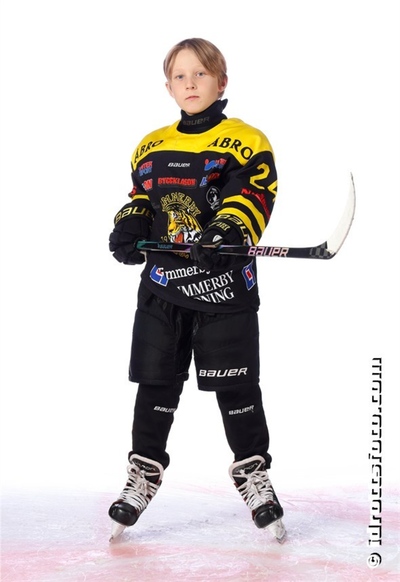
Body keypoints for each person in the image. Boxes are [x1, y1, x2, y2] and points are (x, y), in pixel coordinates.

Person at [108, 38, 285, 541]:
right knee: (155, 384)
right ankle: (142, 474)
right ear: (168, 86)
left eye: (201, 74)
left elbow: (252, 194)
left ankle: (254, 474)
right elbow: (143, 197)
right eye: (180, 76)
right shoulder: (150, 145)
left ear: (221, 82)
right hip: (163, 287)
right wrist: (129, 223)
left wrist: (227, 230)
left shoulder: (245, 140)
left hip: (224, 290)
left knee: (236, 386)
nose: (190, 83)